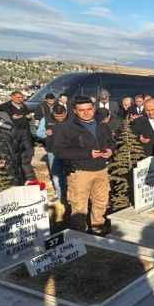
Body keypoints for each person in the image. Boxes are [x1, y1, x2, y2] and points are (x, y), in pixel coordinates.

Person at [53, 96, 115, 234]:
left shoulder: (102, 125)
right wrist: (88, 153)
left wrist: (111, 150)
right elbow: (59, 151)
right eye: (82, 110)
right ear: (75, 111)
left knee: (101, 201)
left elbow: (111, 141)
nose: (86, 112)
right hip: (80, 172)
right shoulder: (66, 128)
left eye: (89, 109)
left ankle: (98, 227)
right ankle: (79, 233)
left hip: (101, 169)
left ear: (93, 108)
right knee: (79, 206)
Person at [36, 104, 69, 203]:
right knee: (56, 174)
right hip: (53, 151)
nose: (60, 118)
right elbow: (38, 133)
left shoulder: (71, 118)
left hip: (69, 150)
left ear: (65, 113)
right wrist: (45, 133)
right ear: (53, 113)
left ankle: (70, 194)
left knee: (70, 173)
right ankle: (60, 195)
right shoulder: (45, 119)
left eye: (62, 116)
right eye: (57, 116)